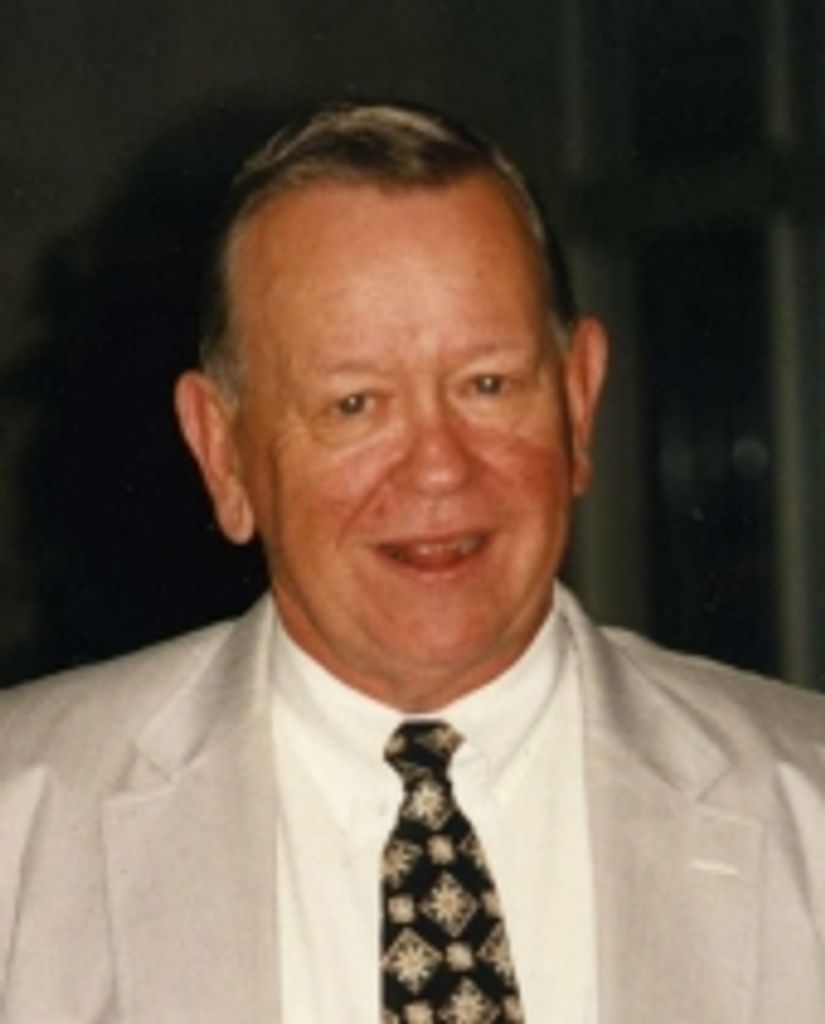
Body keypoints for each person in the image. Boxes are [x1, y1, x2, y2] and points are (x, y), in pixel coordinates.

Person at [1, 101, 824, 1024]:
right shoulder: (20, 832)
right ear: (223, 454)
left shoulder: (807, 810)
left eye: (487, 385)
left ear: (579, 403)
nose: (438, 466)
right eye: (354, 403)